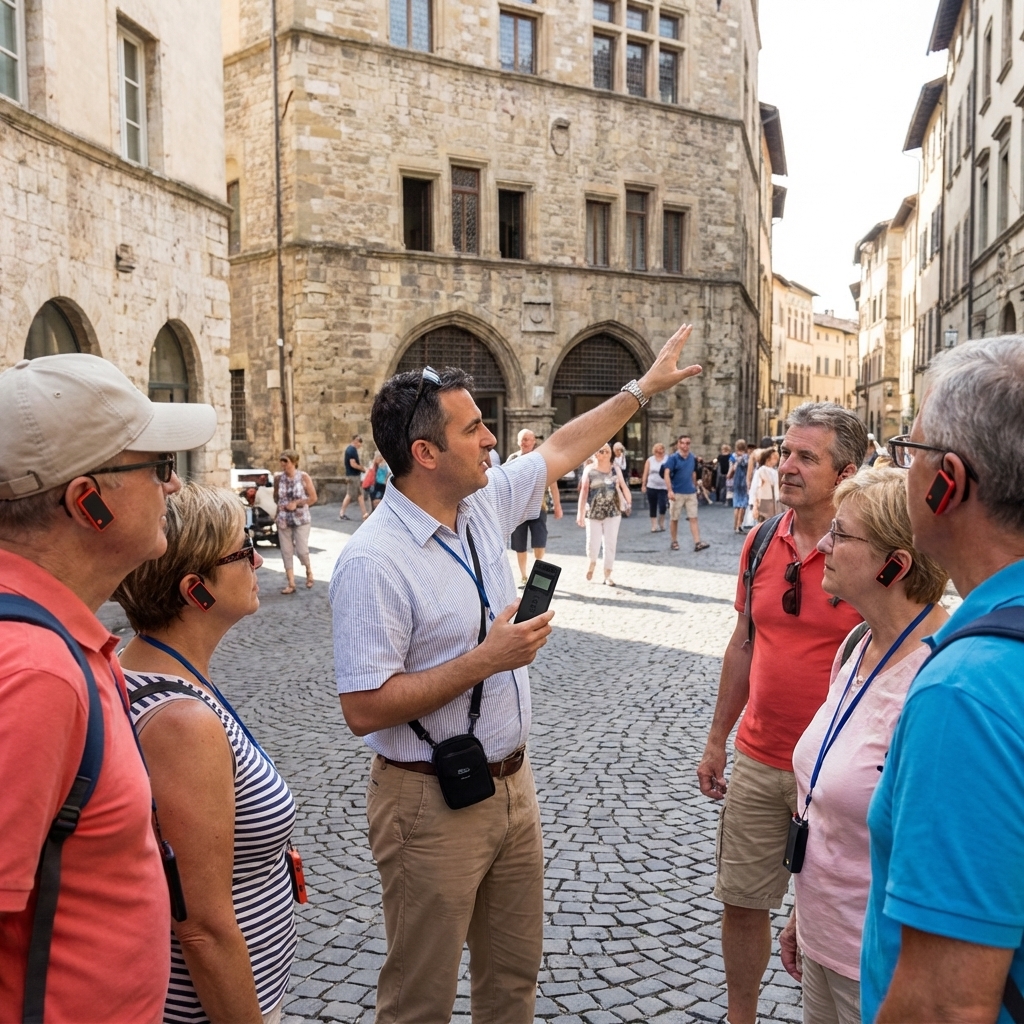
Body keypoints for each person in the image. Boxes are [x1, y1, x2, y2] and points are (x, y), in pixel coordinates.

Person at [329, 324, 702, 1023]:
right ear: (425, 453)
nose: (493, 440)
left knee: (511, 982)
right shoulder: (373, 561)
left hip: (512, 788)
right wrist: (486, 660)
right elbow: (363, 708)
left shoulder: (480, 505)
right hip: (426, 802)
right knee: (420, 1000)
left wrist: (640, 389)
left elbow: (563, 445)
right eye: (475, 430)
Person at [0, 353, 215, 1022]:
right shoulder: (35, 672)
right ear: (87, 502)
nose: (173, 488)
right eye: (157, 468)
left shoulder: (62, 642)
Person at [859, 338, 1024, 1024]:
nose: (901, 470)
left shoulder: (966, 691)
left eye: (909, 452)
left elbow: (944, 1005)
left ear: (946, 481)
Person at [697, 402, 867, 1024]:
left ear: (846, 472)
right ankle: (741, 1015)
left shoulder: (873, 553)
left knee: (835, 919)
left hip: (839, 775)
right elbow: (744, 642)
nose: (786, 466)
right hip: (762, 758)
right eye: (785, 452)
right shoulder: (761, 539)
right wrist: (718, 738)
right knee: (741, 901)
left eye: (805, 457)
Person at [115, 484, 298, 1024]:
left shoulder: (144, 670)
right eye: (242, 551)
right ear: (196, 590)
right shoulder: (180, 721)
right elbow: (200, 926)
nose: (258, 559)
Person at [777, 469, 948, 1024]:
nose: (822, 544)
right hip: (823, 942)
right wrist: (802, 914)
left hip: (880, 968)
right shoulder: (857, 644)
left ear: (893, 565)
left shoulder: (937, 683)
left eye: (841, 535)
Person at [507, 429, 563, 585]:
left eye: (527, 439)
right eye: (522, 439)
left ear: (534, 442)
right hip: (518, 509)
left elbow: (553, 484)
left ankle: (536, 574)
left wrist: (557, 505)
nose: (525, 442)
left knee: (539, 542)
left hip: (538, 507)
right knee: (519, 544)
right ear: (518, 442)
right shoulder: (512, 459)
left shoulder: (541, 459)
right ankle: (524, 576)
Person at [577, 443, 631, 586]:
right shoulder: (589, 470)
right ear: (595, 454)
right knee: (592, 544)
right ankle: (592, 562)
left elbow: (624, 487)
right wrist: (580, 513)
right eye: (601, 451)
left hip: (613, 512)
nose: (605, 454)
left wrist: (628, 503)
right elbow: (583, 492)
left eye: (607, 451)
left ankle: (608, 574)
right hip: (593, 512)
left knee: (610, 544)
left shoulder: (615, 469)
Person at [274, 450, 318, 594]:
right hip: (283, 519)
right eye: (281, 461)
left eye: (285, 461)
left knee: (302, 550)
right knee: (286, 551)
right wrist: (280, 509)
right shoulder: (278, 478)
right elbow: (276, 497)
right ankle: (291, 583)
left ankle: (308, 571)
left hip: (301, 519)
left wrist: (297, 503)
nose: (283, 464)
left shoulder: (304, 477)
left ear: (294, 462)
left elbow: (313, 498)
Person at [663, 434, 710, 552]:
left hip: (690, 493)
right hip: (677, 492)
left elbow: (693, 473)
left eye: (688, 443)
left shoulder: (692, 458)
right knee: (674, 518)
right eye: (683, 443)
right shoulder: (672, 458)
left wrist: (695, 487)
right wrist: (669, 490)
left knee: (693, 517)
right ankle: (674, 541)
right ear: (678, 444)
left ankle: (697, 542)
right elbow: (666, 474)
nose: (685, 446)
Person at [641, 441, 669, 532]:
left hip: (663, 486)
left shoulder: (667, 459)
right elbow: (645, 473)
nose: (659, 452)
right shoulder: (650, 460)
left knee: (663, 505)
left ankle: (661, 521)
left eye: (661, 450)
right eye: (657, 450)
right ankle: (654, 525)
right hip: (651, 486)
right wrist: (643, 484)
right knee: (652, 505)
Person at [339, 434, 368, 521]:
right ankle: (342, 513)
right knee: (350, 495)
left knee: (359, 495)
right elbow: (353, 464)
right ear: (355, 441)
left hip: (354, 476)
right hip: (353, 476)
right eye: (359, 442)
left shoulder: (351, 449)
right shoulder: (351, 450)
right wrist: (363, 469)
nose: (360, 445)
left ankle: (365, 514)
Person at [750, 447, 780, 522]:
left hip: (774, 501)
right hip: (763, 501)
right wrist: (753, 504)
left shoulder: (775, 472)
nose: (776, 460)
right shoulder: (761, 471)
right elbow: (755, 487)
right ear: (767, 458)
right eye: (774, 458)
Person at [729, 439, 751, 533]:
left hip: (736, 481)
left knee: (736, 504)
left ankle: (735, 525)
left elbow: (731, 468)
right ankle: (739, 525)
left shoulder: (733, 456)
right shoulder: (746, 456)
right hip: (744, 481)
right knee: (743, 505)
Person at [612, 442, 631, 514]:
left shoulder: (625, 457)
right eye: (616, 450)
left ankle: (625, 507)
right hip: (614, 477)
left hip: (623, 477)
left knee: (623, 491)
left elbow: (625, 468)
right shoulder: (612, 458)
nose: (618, 452)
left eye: (619, 450)